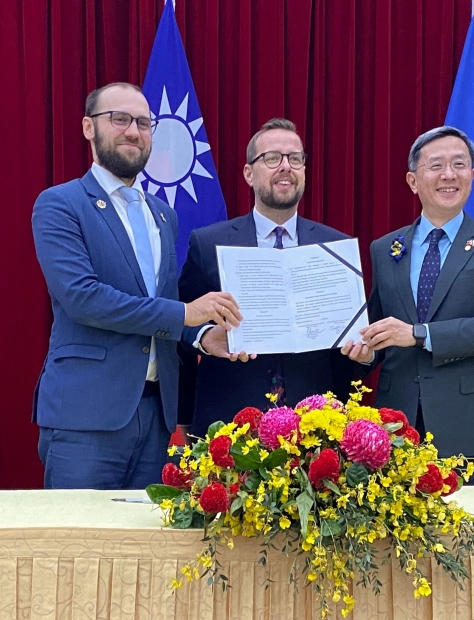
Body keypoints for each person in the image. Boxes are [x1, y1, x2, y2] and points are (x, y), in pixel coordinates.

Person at [31, 82, 244, 489]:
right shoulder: (60, 204)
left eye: (144, 123)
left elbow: (160, 307)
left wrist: (201, 337)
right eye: (120, 119)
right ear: (88, 128)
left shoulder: (163, 216)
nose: (134, 131)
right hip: (86, 417)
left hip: (156, 416)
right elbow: (83, 298)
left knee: (146, 550)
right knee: (82, 548)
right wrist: (185, 313)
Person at [342, 126, 474, 484]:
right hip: (397, 429)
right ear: (413, 180)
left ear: (472, 176)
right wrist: (366, 352)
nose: (448, 175)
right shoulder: (386, 248)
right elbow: (382, 327)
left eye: (459, 165)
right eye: (436, 165)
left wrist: (419, 334)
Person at [178, 118, 356, 439]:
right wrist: (205, 337)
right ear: (249, 173)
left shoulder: (335, 248)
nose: (285, 167)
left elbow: (349, 348)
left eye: (295, 158)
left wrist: (361, 348)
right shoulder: (208, 244)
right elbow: (178, 322)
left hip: (316, 428)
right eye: (272, 158)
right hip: (229, 425)